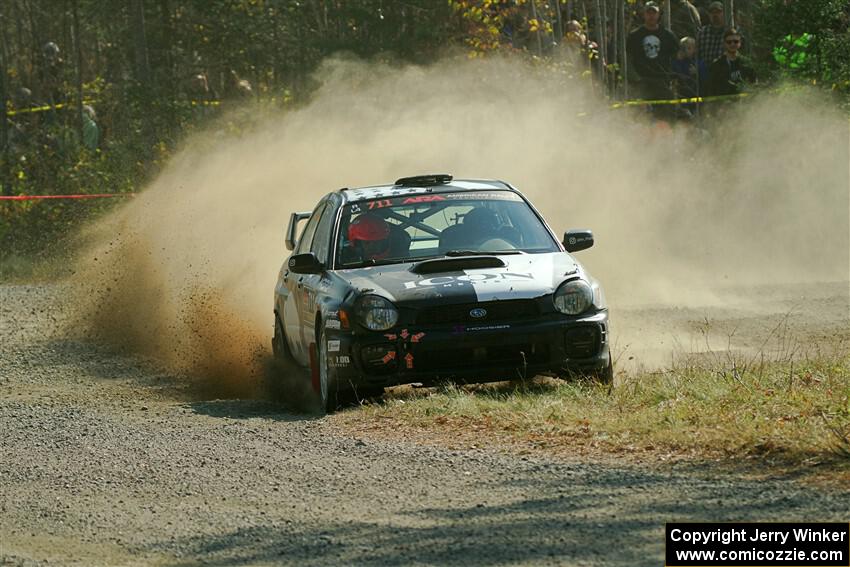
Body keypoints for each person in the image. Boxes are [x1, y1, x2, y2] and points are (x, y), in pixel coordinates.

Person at [626, 2, 678, 116]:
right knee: (640, 117)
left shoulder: (668, 35)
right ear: (643, 15)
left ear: (659, 15)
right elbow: (627, 58)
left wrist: (673, 76)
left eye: (654, 13)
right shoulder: (635, 36)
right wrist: (635, 78)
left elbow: (677, 56)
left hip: (662, 81)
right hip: (642, 81)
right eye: (648, 13)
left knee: (668, 114)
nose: (651, 16)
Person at [706, 28, 755, 97]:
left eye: (736, 41)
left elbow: (754, 84)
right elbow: (711, 89)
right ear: (724, 44)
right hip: (724, 104)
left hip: (745, 103)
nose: (732, 44)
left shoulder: (747, 63)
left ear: (740, 43)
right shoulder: (716, 65)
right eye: (729, 42)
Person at [697, 2, 727, 67]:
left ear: (724, 14)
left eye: (718, 12)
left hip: (723, 70)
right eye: (712, 12)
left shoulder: (729, 31)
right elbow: (697, 55)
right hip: (706, 71)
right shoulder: (702, 32)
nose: (715, 15)